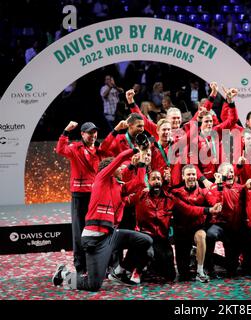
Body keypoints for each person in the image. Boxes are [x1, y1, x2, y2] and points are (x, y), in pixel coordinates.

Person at [52, 148, 154, 291]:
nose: (122, 170)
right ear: (110, 169)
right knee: (93, 285)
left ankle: (120, 271)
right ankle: (64, 274)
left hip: (111, 235)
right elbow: (118, 159)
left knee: (146, 240)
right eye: (119, 168)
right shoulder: (101, 178)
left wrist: (142, 163)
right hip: (94, 239)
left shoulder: (119, 187)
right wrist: (136, 150)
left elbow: (138, 182)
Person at [128, 170, 222, 282]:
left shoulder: (170, 198)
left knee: (170, 276)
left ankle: (199, 269)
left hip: (163, 239)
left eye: (158, 179)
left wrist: (210, 208)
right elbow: (128, 192)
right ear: (148, 181)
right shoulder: (141, 195)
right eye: (153, 179)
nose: (156, 181)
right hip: (147, 235)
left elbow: (188, 209)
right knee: (144, 244)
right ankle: (137, 270)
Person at [55, 121, 113, 274]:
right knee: (79, 230)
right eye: (89, 132)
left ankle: (100, 264)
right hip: (80, 195)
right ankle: (81, 267)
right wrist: (66, 131)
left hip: (97, 194)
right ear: (82, 134)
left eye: (95, 132)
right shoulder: (75, 148)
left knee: (98, 229)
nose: (93, 135)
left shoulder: (100, 150)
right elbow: (60, 149)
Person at [171, 164, 220, 282]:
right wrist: (208, 210)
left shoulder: (204, 192)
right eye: (188, 174)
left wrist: (217, 187)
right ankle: (194, 255)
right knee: (183, 274)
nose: (191, 177)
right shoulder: (176, 193)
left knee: (202, 235)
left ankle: (200, 271)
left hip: (197, 228)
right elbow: (187, 210)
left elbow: (215, 201)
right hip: (181, 232)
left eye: (193, 174)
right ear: (183, 177)